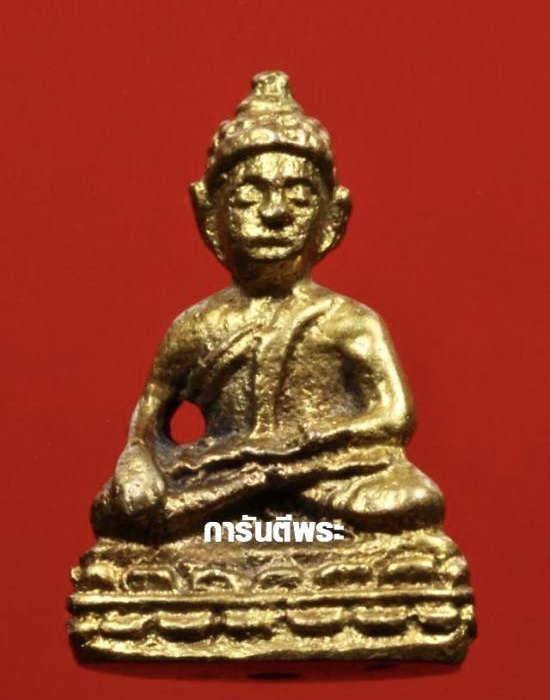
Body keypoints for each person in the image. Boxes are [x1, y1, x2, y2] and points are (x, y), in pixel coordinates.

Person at [92, 71, 444, 541]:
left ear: (333, 217)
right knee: (123, 509)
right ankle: (251, 508)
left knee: (412, 500)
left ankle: (263, 511)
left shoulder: (350, 321)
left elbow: (395, 417)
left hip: (322, 476)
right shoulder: (197, 326)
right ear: (209, 214)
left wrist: (297, 450)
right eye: (247, 196)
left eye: (298, 198)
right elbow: (148, 422)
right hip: (225, 475)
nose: (275, 213)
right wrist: (141, 462)